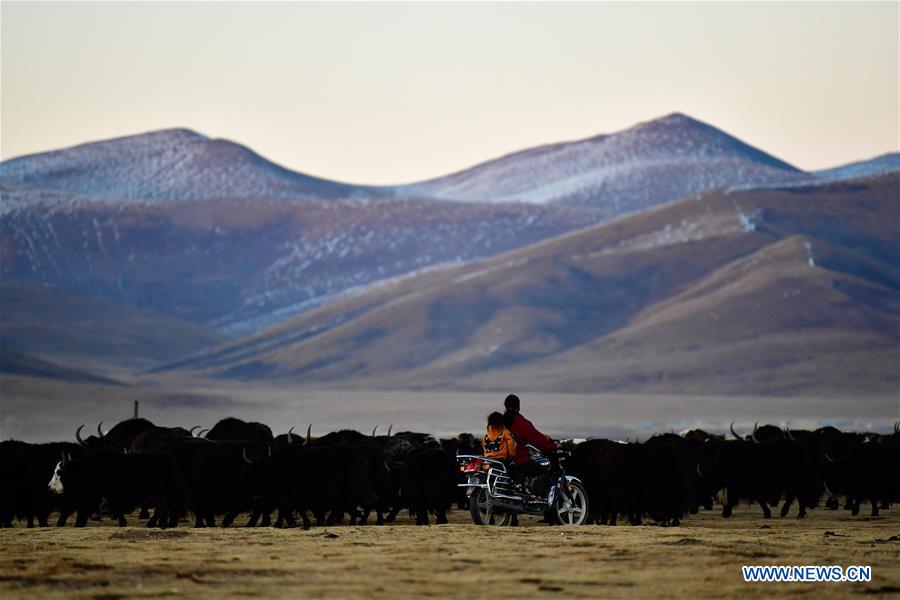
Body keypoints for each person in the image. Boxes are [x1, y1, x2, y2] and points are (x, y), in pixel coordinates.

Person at [502, 393, 558, 497]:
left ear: (505, 406)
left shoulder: (499, 422)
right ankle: (536, 497)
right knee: (544, 472)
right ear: (518, 407)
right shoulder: (521, 422)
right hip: (518, 460)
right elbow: (536, 439)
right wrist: (553, 446)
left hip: (500, 459)